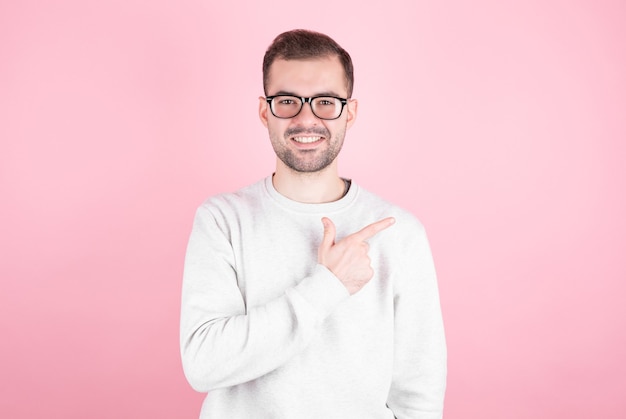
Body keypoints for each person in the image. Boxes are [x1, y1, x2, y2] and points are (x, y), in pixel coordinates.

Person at [180, 29, 447, 419]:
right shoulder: (222, 220)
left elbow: (418, 394)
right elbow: (204, 364)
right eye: (287, 101)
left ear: (350, 113)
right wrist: (328, 287)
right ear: (263, 111)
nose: (306, 119)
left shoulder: (400, 232)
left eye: (325, 102)